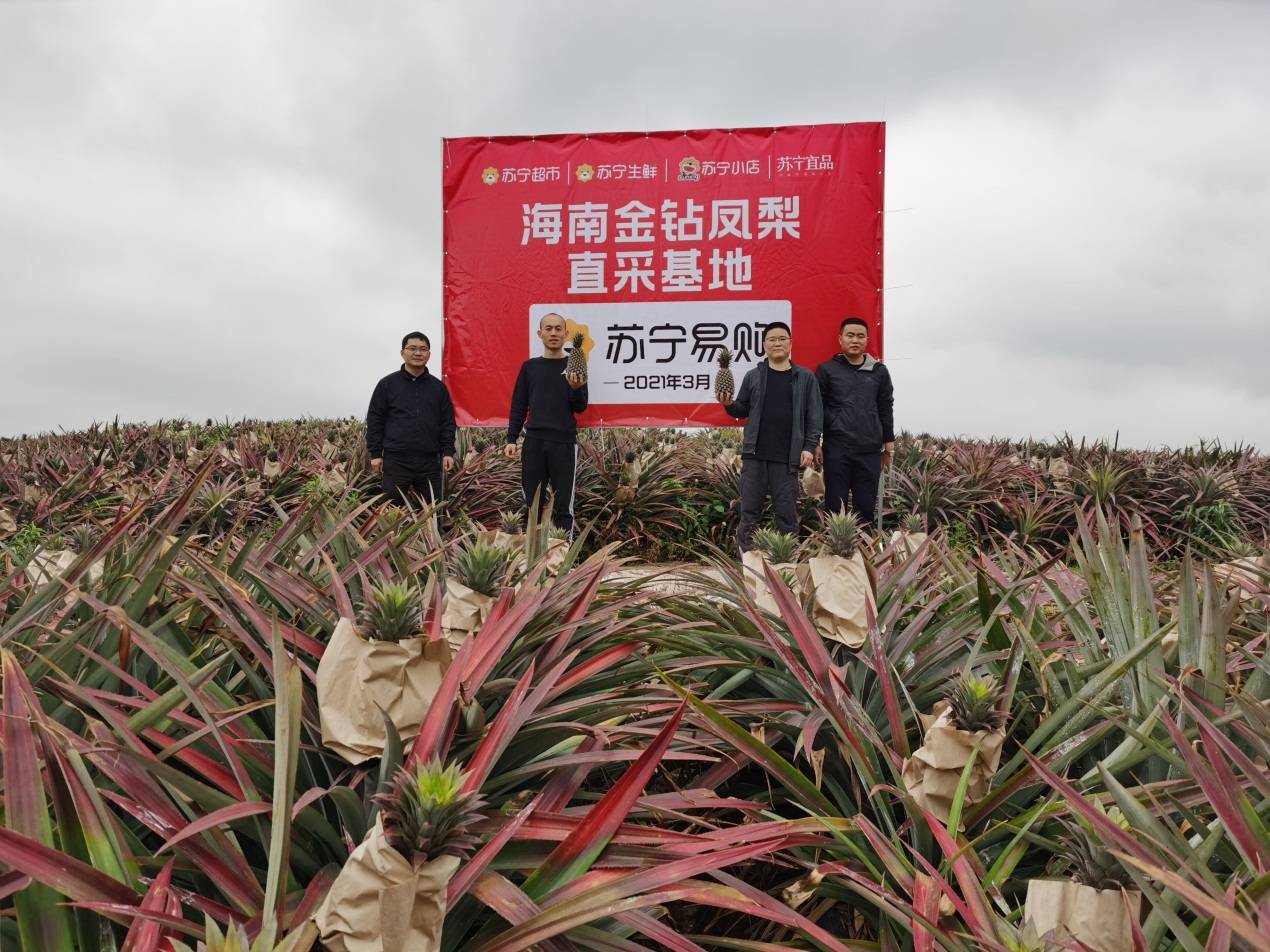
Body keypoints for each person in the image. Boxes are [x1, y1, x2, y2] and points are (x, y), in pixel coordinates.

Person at [717, 322, 823, 552]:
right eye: (772, 339)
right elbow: (742, 409)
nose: (777, 343)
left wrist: (809, 446)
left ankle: (787, 564)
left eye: (782, 338)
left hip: (787, 458)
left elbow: (814, 416)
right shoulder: (753, 376)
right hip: (755, 455)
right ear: (764, 345)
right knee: (749, 514)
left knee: (786, 515)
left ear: (791, 343)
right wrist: (728, 404)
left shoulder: (805, 378)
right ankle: (748, 563)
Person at [504, 312, 588, 531]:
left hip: (564, 444)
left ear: (566, 334)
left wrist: (576, 390)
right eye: (548, 329)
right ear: (540, 334)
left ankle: (564, 560)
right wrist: (511, 438)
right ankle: (531, 559)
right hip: (534, 442)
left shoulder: (575, 364)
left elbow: (580, 407)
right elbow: (519, 405)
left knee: (564, 507)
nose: (553, 333)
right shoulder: (529, 367)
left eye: (558, 329)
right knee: (532, 504)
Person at [814, 317, 895, 524]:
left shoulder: (879, 372)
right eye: (850, 335)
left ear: (867, 340)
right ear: (840, 339)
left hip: (869, 450)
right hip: (836, 449)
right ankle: (834, 553)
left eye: (860, 336)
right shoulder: (826, 370)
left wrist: (888, 444)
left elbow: (886, 407)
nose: (855, 340)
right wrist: (815, 443)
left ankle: (864, 554)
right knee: (835, 507)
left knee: (865, 509)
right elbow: (816, 409)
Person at [366, 331, 456, 506]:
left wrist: (448, 451)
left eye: (423, 349)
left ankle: (433, 535)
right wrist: (375, 453)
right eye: (412, 348)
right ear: (402, 352)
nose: (418, 353)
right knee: (392, 512)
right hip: (396, 461)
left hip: (429, 461)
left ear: (429, 354)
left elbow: (447, 422)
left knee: (433, 512)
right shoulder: (387, 384)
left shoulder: (438, 388)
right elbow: (375, 419)